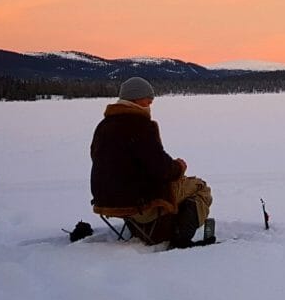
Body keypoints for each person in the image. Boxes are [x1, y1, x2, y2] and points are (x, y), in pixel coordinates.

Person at [90, 77, 212, 248]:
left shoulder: (103, 126)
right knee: (200, 187)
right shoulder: (140, 126)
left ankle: (154, 228)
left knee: (183, 184)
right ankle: (181, 238)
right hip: (139, 202)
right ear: (135, 98)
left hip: (109, 200)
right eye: (148, 99)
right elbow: (160, 168)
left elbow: (104, 160)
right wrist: (179, 167)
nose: (150, 102)